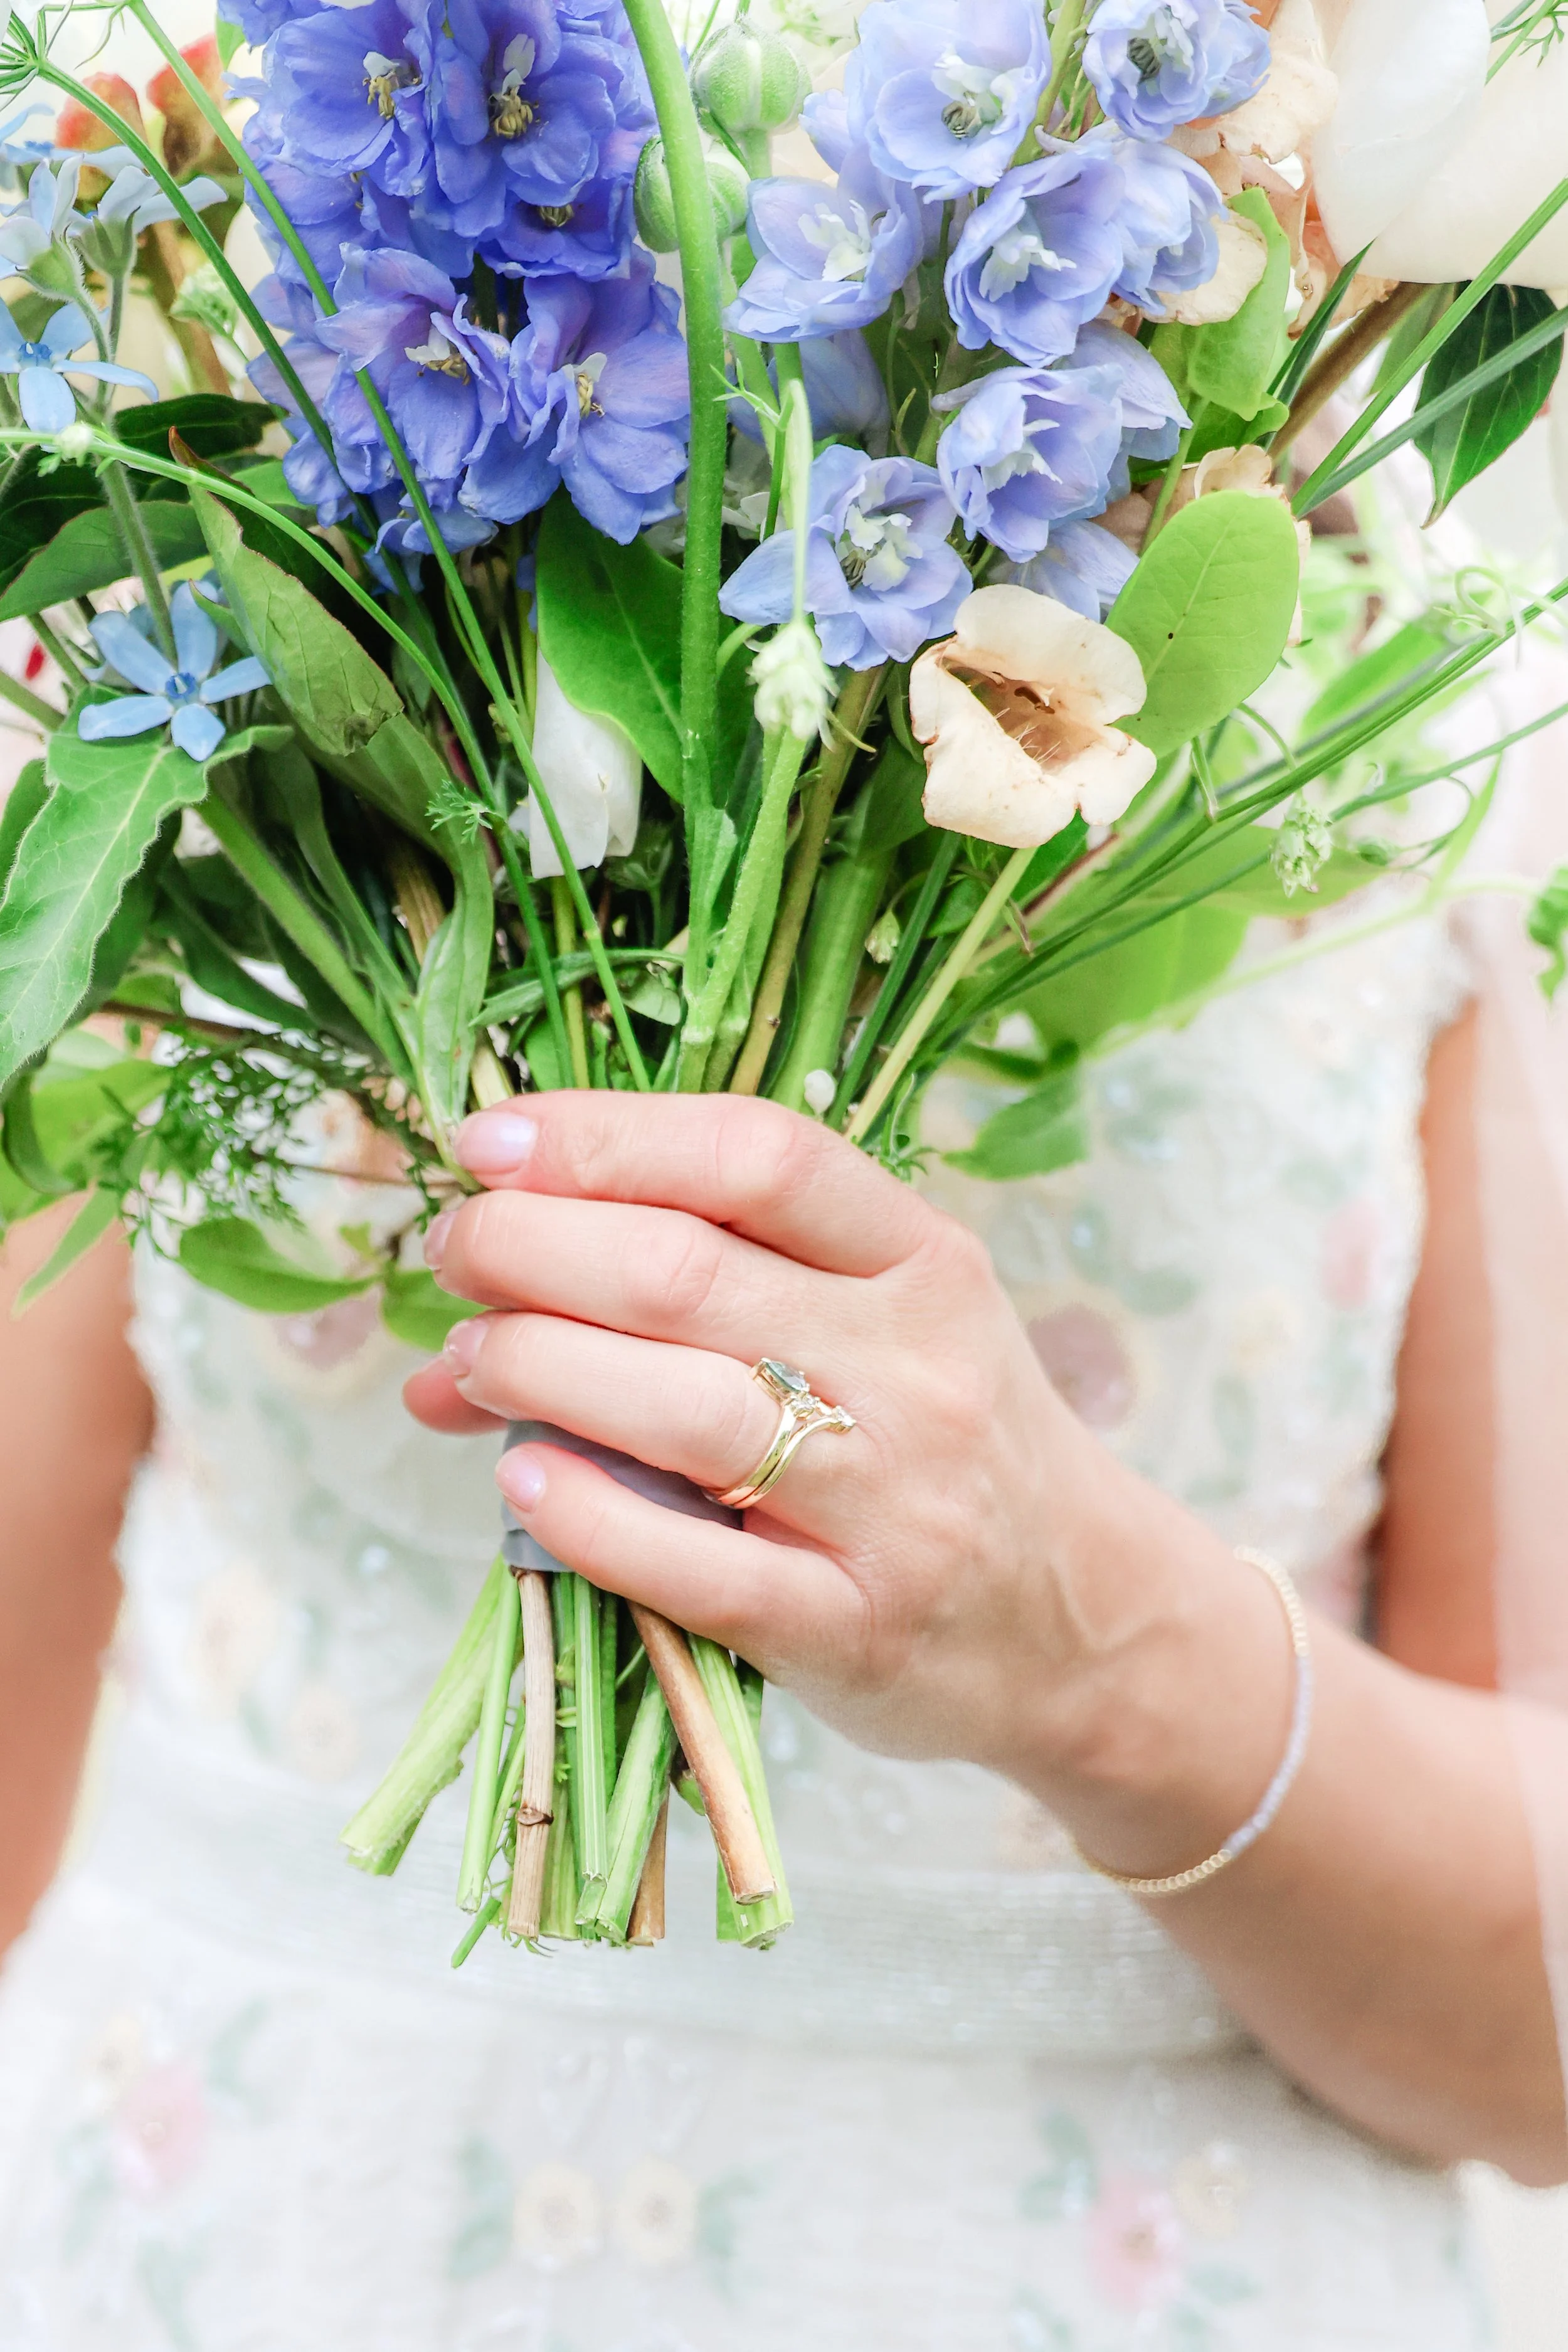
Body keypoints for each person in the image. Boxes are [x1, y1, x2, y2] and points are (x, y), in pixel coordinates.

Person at [0, 824, 1562, 2349]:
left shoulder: (1460, 794)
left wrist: (1097, 1649)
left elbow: (1534, 2057)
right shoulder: (159, 673)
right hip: (235, 2231)